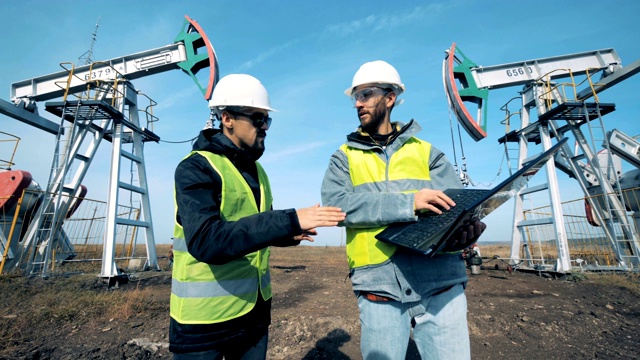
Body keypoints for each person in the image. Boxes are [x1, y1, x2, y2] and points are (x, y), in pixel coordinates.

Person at [170, 73, 346, 359]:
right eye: (256, 118)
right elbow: (206, 241)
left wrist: (286, 235)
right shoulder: (195, 168)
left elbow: (249, 231)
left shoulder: (258, 172)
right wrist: (288, 220)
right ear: (227, 118)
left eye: (267, 119)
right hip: (204, 325)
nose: (264, 127)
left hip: (253, 316)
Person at [321, 60, 486, 359]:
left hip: (440, 283)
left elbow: (454, 205)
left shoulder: (427, 152)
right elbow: (335, 206)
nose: (358, 103)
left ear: (390, 97)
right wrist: (408, 203)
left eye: (366, 94)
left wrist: (465, 229)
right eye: (355, 97)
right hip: (379, 285)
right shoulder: (343, 158)